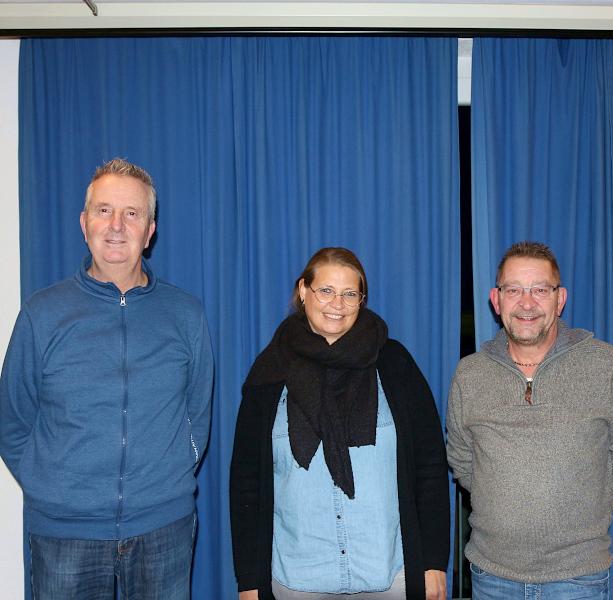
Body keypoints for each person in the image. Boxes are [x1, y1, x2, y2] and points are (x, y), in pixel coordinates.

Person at [0, 158, 214, 599]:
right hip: (64, 536)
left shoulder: (185, 314)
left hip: (164, 529)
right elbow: (13, 420)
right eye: (103, 210)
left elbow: (198, 411)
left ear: (149, 230)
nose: (116, 225)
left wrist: (165, 478)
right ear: (84, 222)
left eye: (131, 214)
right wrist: (55, 489)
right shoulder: (42, 314)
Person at [230, 247, 449, 600]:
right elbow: (246, 483)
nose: (338, 303)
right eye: (326, 291)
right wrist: (249, 582)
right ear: (304, 291)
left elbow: (430, 466)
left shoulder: (394, 365)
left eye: (350, 294)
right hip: (297, 579)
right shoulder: (270, 373)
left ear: (362, 300)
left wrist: (434, 563)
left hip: (387, 576)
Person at [446, 241, 613, 599]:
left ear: (559, 299)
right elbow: (462, 458)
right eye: (514, 290)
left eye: (540, 290)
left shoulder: (604, 364)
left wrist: (585, 507)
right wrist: (501, 500)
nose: (527, 303)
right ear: (496, 298)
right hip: (492, 577)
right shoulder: (470, 373)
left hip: (579, 578)